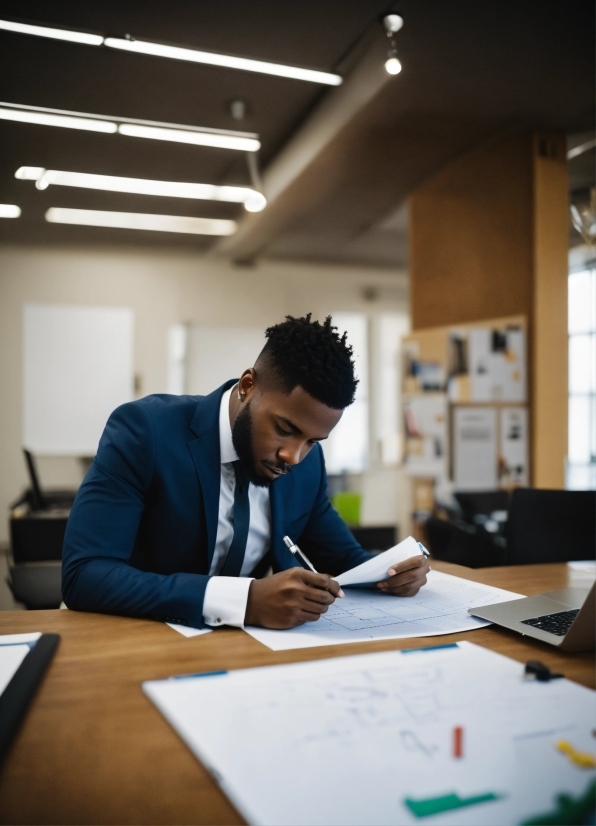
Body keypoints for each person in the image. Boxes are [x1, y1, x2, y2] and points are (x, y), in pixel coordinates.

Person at [62, 314, 429, 630]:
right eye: (285, 429)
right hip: (132, 638)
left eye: (313, 441)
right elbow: (85, 575)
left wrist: (392, 573)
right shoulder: (146, 430)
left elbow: (345, 559)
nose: (294, 456)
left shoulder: (306, 465)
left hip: (241, 652)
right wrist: (245, 600)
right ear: (248, 386)